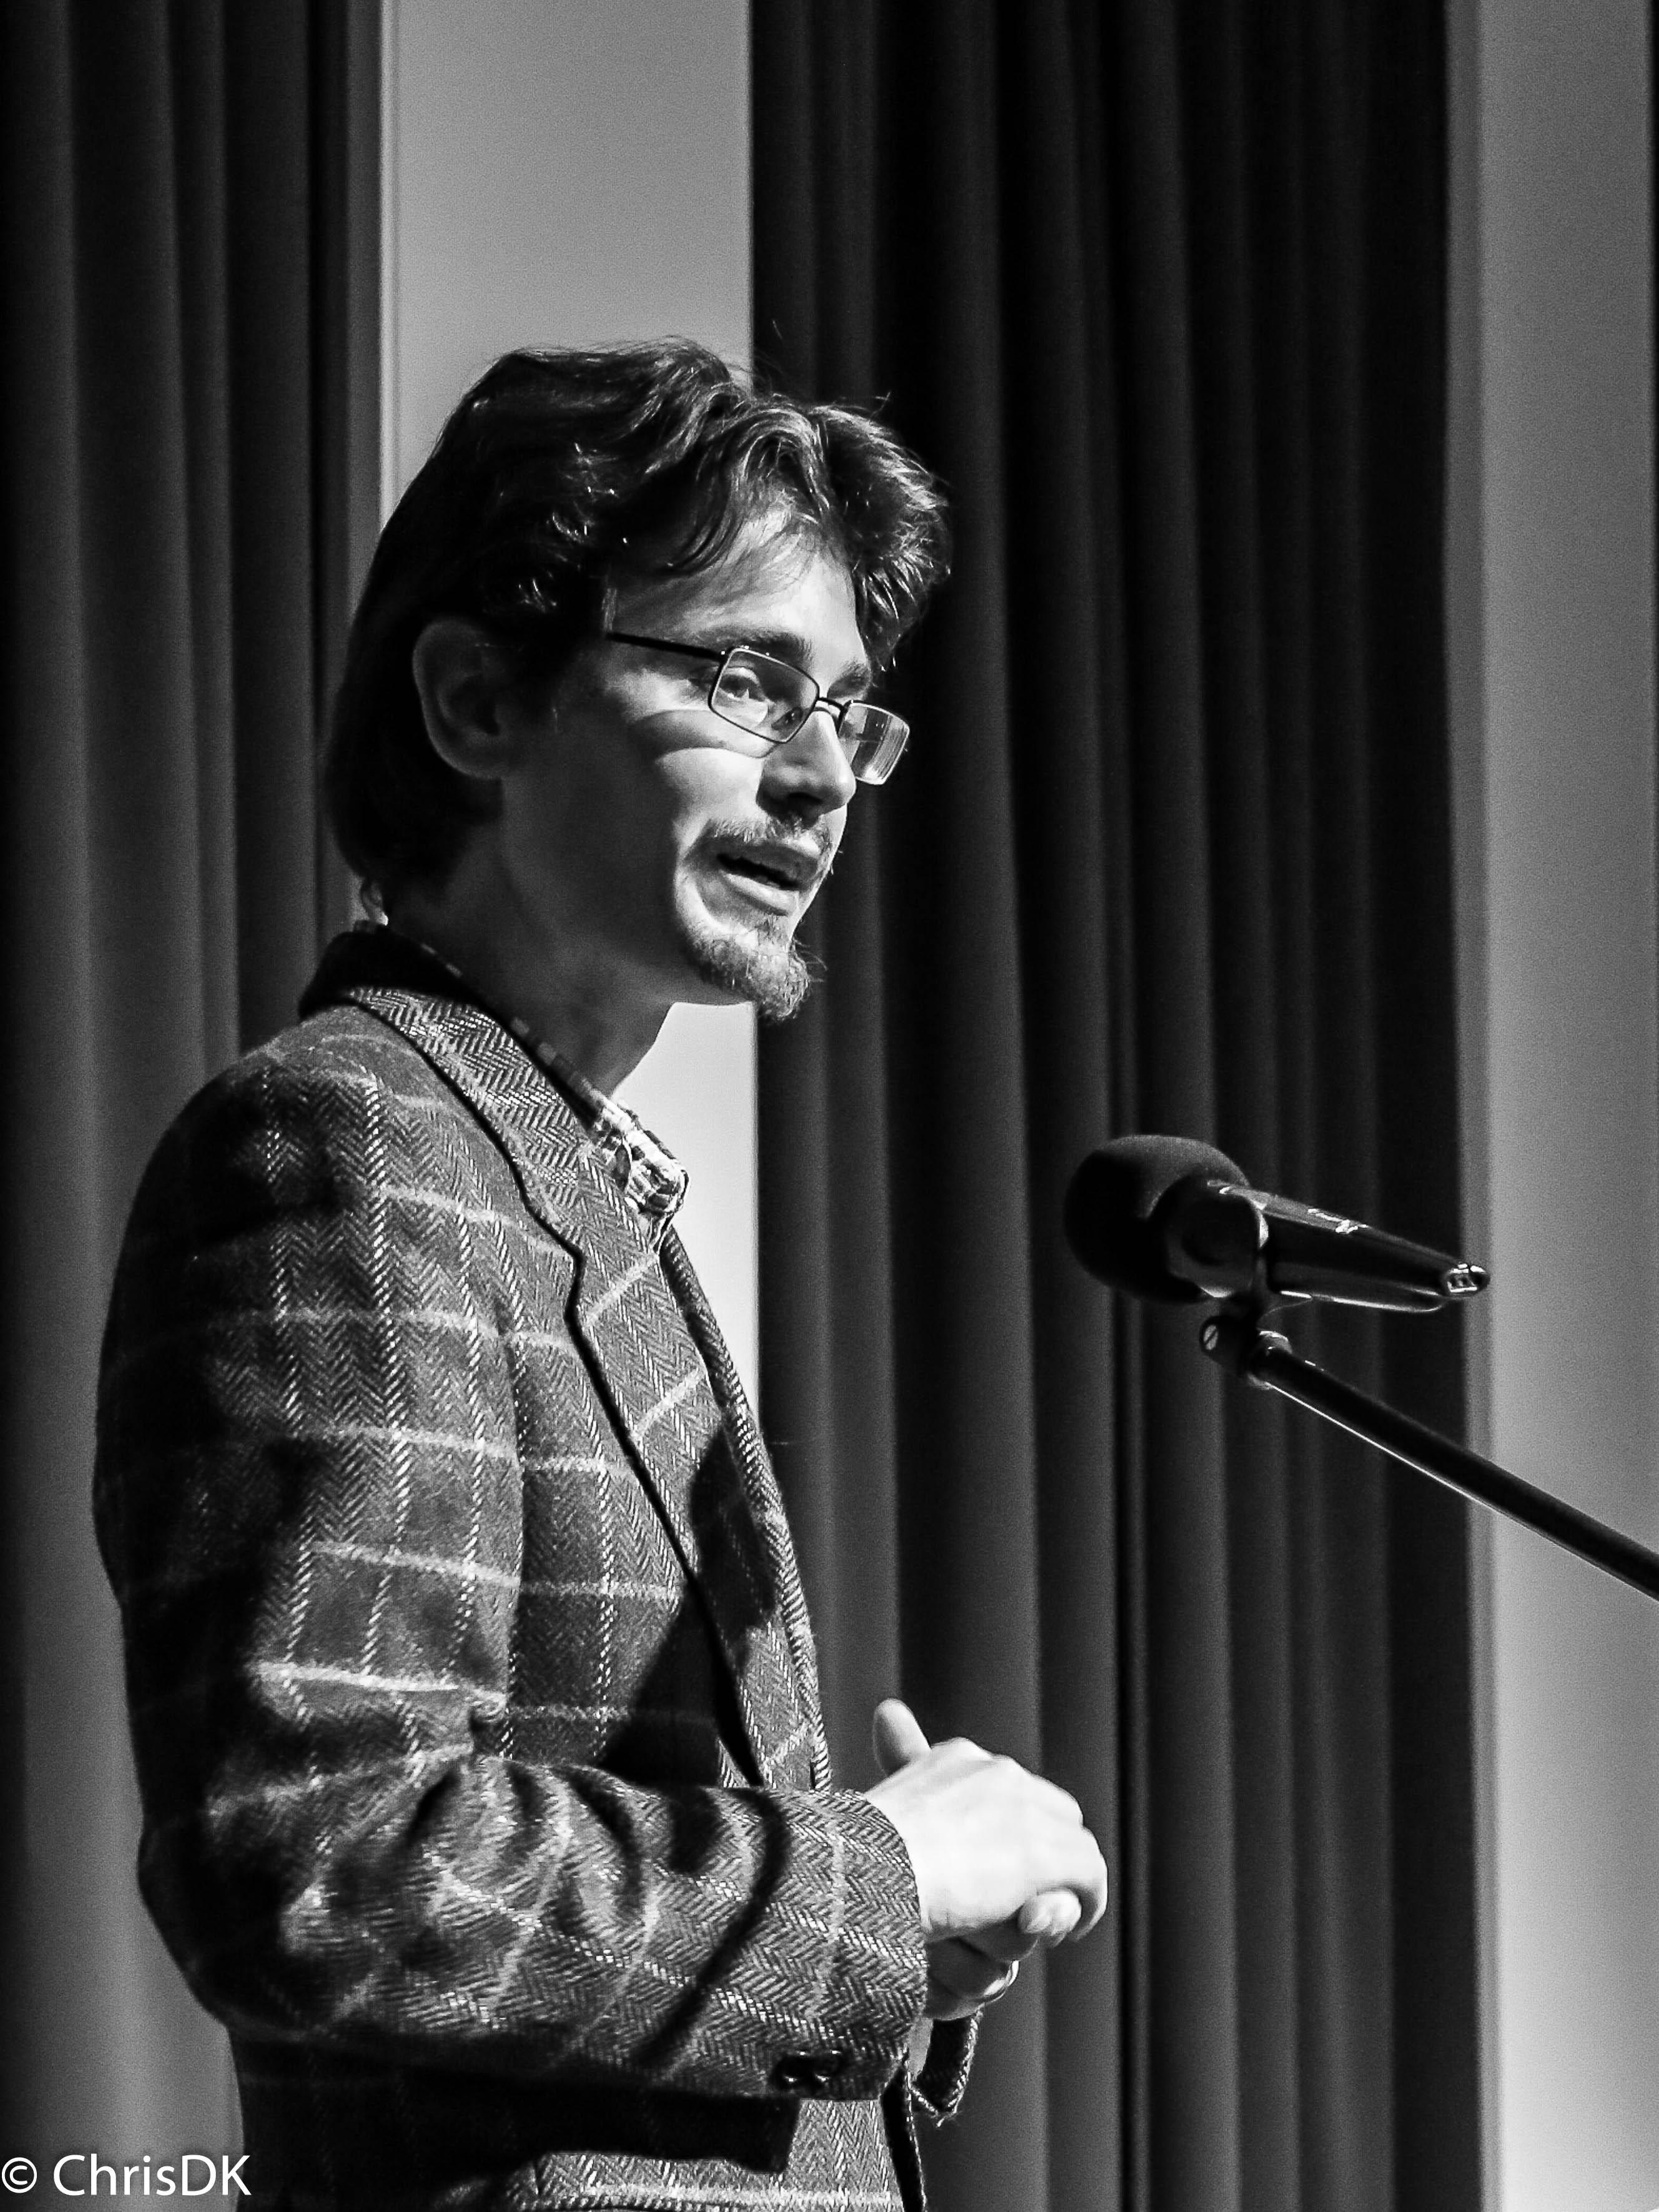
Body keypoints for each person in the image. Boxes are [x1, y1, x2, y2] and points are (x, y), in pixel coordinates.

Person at [94, 342, 1108, 2212]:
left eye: (850, 712)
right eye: (746, 681)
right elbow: (323, 1860)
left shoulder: (550, 1172)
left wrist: (882, 1955)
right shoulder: (347, 1147)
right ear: (479, 699)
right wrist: (872, 1879)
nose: (822, 776)